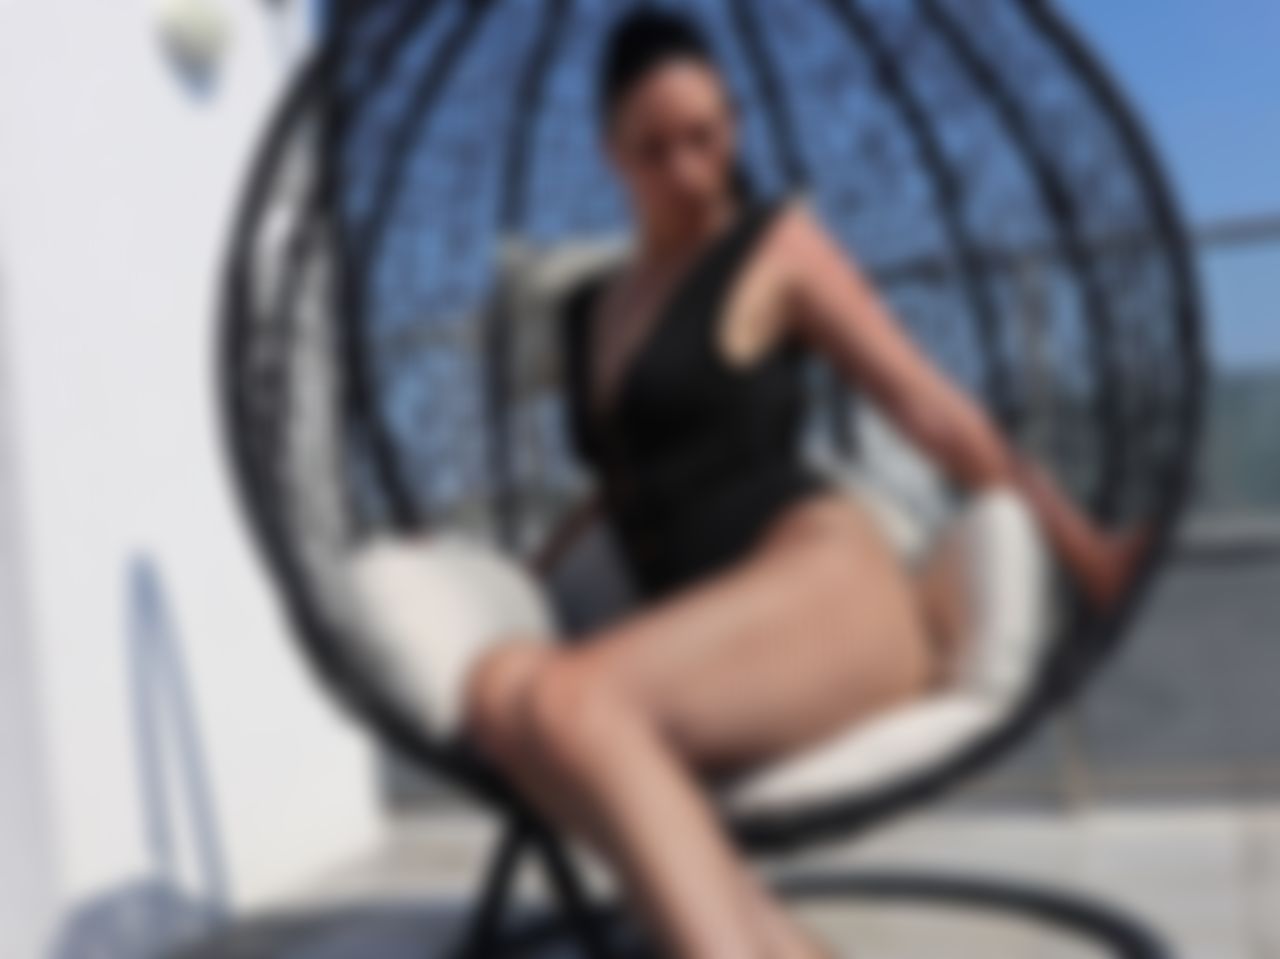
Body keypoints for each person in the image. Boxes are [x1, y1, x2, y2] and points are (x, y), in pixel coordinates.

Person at [462, 9, 1145, 958]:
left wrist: (1084, 547)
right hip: (709, 641)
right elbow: (623, 483)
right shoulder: (589, 311)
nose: (688, 171)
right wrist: (526, 576)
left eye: (705, 137)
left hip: (829, 592)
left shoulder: (774, 245)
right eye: (654, 149)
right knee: (498, 691)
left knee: (570, 702)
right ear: (611, 153)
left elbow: (931, 410)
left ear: (734, 125)